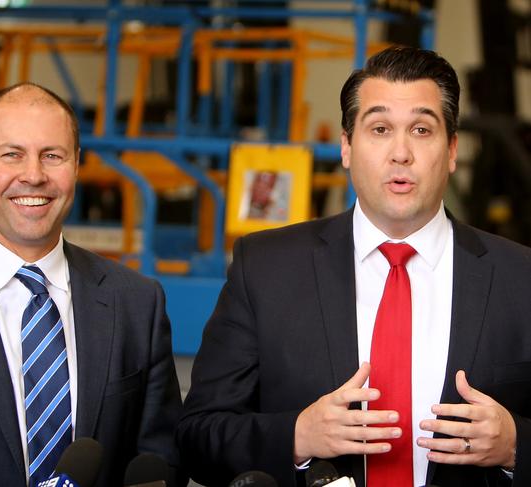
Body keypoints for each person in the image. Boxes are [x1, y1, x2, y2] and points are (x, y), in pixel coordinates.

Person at [177, 46, 531, 487]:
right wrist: (297, 436)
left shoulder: (520, 278)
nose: (401, 153)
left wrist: (516, 446)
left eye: (422, 129)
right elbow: (196, 437)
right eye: (379, 129)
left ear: (453, 148)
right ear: (347, 147)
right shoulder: (266, 270)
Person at [0, 82, 185, 487]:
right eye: (11, 154)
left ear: (76, 164)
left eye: (52, 156)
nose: (33, 176)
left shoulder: (136, 302)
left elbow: (159, 462)